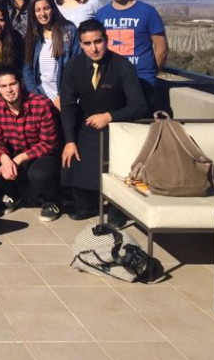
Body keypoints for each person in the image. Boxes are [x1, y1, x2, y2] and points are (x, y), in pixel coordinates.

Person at [60, 19, 148, 220]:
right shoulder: (73, 67)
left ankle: (119, 206)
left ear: (106, 40)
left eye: (98, 42)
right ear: (81, 45)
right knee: (74, 157)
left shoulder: (122, 65)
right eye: (88, 44)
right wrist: (69, 141)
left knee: (118, 167)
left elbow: (139, 106)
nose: (94, 48)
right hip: (86, 126)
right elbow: (67, 105)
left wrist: (109, 117)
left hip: (118, 126)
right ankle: (86, 204)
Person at [0, 66, 61, 222]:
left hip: (40, 154)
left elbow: (49, 143)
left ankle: (51, 200)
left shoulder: (42, 104)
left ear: (22, 84)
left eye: (13, 84)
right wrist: (5, 159)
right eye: (4, 86)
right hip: (13, 152)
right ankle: (14, 194)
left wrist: (19, 159)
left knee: (40, 173)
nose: (9, 90)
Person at [95, 0, 169, 111]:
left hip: (142, 81)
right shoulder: (101, 14)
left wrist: (150, 72)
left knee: (142, 126)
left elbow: (162, 48)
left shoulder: (147, 12)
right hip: (111, 82)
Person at [22, 0, 79, 111]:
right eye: (37, 10)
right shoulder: (33, 36)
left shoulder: (69, 30)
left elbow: (76, 65)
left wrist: (62, 95)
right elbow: (27, 68)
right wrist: (37, 96)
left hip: (64, 97)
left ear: (53, 9)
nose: (42, 13)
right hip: (41, 96)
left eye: (46, 8)